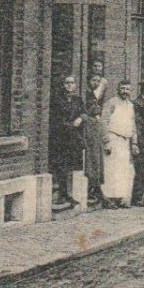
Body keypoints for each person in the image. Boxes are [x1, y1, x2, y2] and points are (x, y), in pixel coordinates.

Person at [98, 80, 138, 208]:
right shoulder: (111, 103)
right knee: (111, 170)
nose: (125, 92)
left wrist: (134, 143)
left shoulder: (130, 105)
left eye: (127, 89)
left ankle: (120, 198)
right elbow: (103, 122)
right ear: (118, 89)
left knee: (122, 171)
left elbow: (133, 125)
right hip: (113, 138)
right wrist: (106, 141)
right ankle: (109, 199)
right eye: (123, 89)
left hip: (125, 141)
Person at [49, 74, 85, 209]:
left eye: (72, 83)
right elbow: (56, 118)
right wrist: (70, 125)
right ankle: (62, 194)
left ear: (75, 85)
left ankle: (68, 194)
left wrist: (80, 119)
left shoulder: (77, 99)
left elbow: (84, 112)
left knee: (71, 166)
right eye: (67, 83)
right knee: (61, 166)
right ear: (63, 85)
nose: (70, 85)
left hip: (73, 139)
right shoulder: (57, 100)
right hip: (61, 138)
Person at [83, 71, 109, 207]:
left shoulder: (94, 96)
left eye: (98, 81)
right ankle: (94, 191)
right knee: (91, 160)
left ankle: (96, 191)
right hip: (88, 131)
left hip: (95, 131)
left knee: (96, 161)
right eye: (94, 80)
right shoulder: (86, 95)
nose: (96, 83)